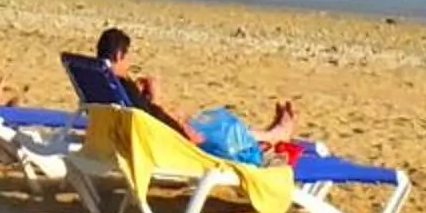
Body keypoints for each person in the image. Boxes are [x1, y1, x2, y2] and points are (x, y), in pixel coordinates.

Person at [92, 26, 299, 158]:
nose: (129, 63)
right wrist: (157, 100)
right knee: (225, 132)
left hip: (129, 139)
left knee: (212, 125)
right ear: (118, 55)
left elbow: (137, 113)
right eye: (127, 56)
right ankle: (277, 135)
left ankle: (269, 133)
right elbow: (151, 120)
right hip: (166, 144)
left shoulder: (102, 82)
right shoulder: (121, 85)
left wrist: (141, 95)